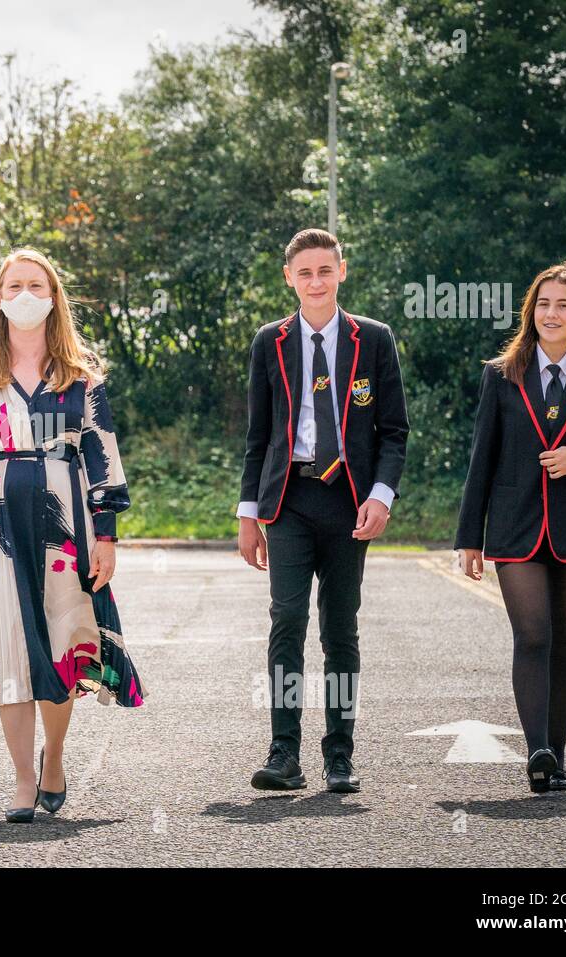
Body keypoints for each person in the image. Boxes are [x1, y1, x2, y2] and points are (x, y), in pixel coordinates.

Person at [0, 247, 145, 823]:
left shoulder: (80, 374)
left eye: (36, 284)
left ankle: (53, 757)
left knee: (62, 643)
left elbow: (103, 457)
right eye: (14, 286)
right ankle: (24, 778)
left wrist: (106, 534)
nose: (24, 294)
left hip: (67, 521)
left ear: (52, 296)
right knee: (8, 646)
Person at [237, 227, 409, 794]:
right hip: (289, 500)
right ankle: (284, 751)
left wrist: (381, 496)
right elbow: (257, 435)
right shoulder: (271, 341)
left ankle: (340, 754)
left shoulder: (374, 340)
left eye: (325, 270)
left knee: (340, 629)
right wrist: (248, 513)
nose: (316, 281)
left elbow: (393, 432)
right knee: (287, 620)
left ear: (342, 272)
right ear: (289, 277)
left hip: (349, 503)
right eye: (304, 272)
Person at [455, 262, 566, 793]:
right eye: (542, 304)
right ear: (530, 312)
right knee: (532, 635)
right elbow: (481, 460)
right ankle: (535, 748)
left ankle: (555, 754)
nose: (551, 314)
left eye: (563, 305)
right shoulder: (501, 374)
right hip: (515, 529)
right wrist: (470, 537)